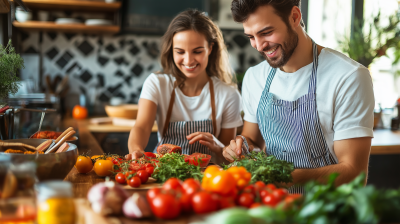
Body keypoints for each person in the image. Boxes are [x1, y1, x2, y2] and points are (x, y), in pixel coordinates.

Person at [222, 0, 374, 193]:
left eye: (266, 32)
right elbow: (252, 140)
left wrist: (287, 178)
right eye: (251, 36)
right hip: (272, 203)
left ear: (294, 16)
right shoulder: (255, 77)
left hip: (328, 208)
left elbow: (354, 173)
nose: (259, 46)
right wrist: (241, 147)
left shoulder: (348, 77)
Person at [126, 9, 243, 164]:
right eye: (180, 52)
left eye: (197, 51)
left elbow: (228, 158)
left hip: (208, 175)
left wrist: (218, 146)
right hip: (164, 171)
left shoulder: (228, 94)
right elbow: (141, 127)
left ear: (210, 48)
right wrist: (136, 149)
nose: (188, 61)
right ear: (171, 51)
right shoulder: (157, 83)